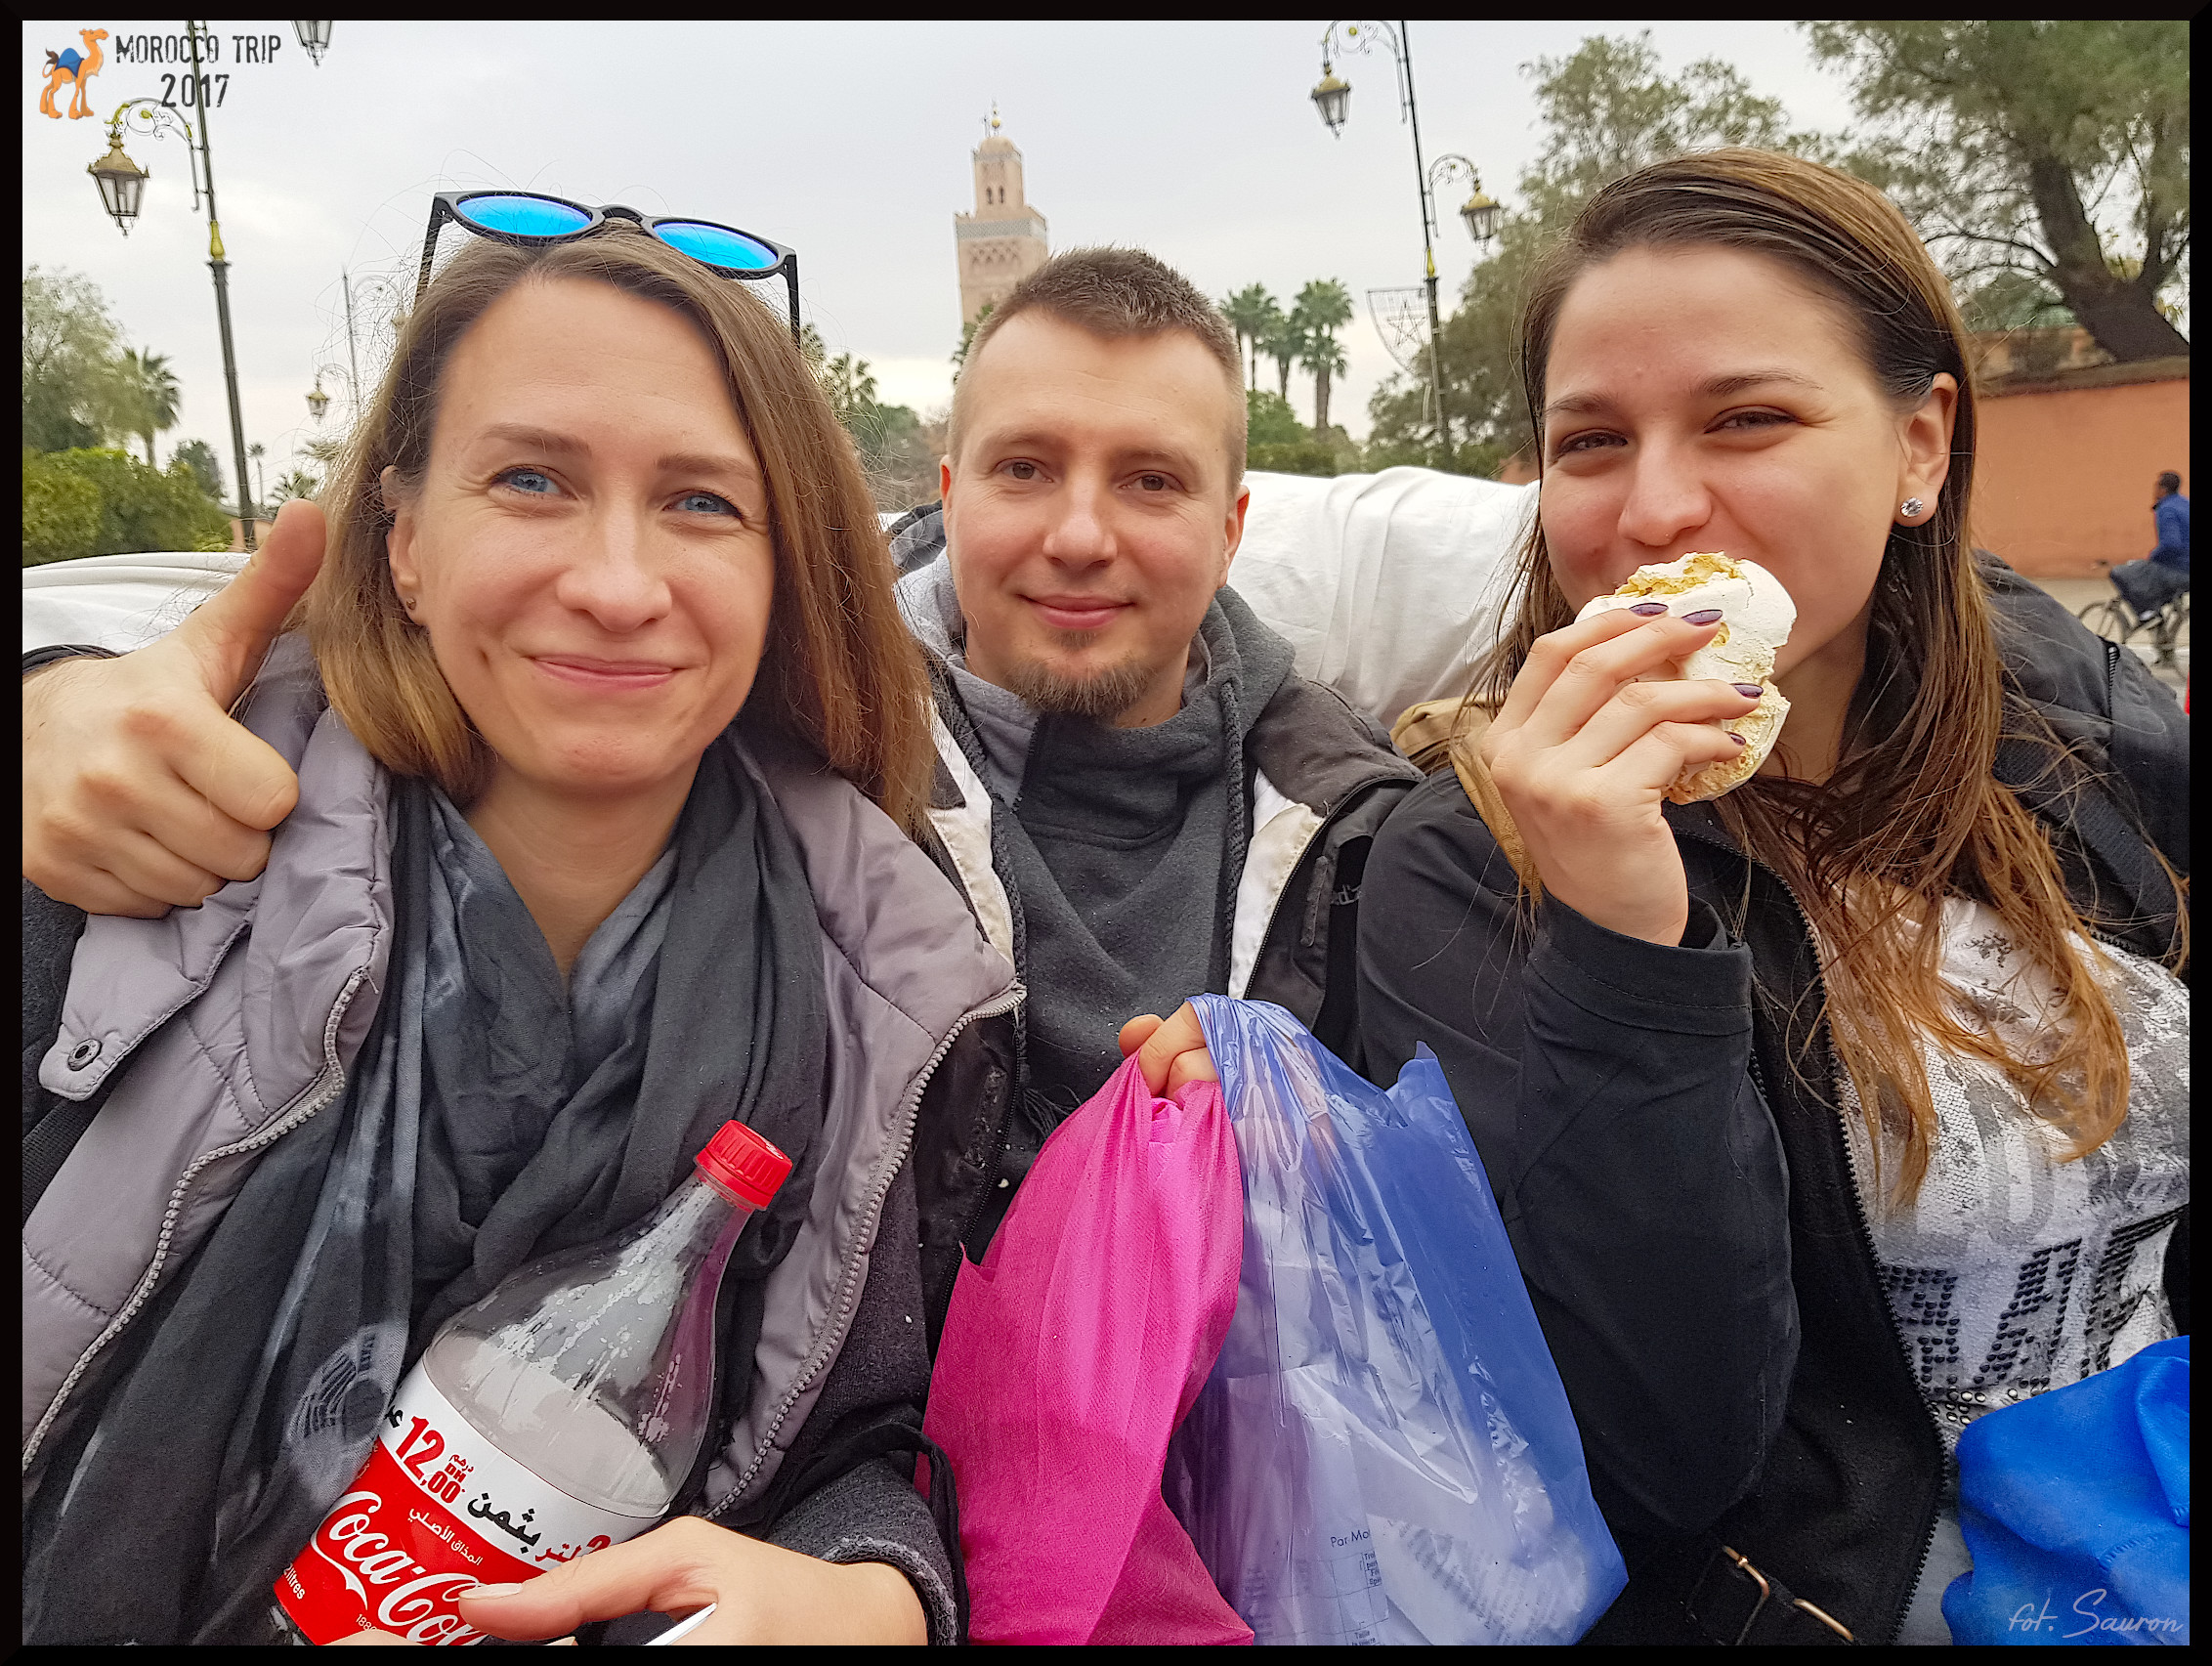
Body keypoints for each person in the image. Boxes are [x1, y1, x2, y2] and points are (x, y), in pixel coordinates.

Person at [19, 210, 1219, 1647]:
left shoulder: (894, 986)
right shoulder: (130, 848)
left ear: (783, 572)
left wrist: (879, 1597)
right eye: (531, 479)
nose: (615, 583)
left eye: (700, 502)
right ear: (405, 539)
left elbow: (863, 1440)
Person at [1356, 150, 2189, 1646]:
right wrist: (1625, 936)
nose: (1658, 506)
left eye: (1747, 419)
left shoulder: (2090, 744)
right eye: (1591, 442)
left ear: (1921, 447)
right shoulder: (1471, 861)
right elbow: (1666, 1457)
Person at [886, 249, 1421, 1255]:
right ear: (949, 500)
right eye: (1024, 468)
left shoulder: (1368, 832)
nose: (1080, 536)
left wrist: (1308, 1126)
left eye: (1150, 480)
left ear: (1229, 532)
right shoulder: (816, 786)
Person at [2107, 470, 2190, 621]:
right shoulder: (2186, 504)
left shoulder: (2167, 509)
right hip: (2184, 569)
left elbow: (2171, 544)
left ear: (2162, 489)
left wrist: (2152, 557)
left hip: (2178, 570)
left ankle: (2148, 615)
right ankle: (2157, 618)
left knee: (2118, 573)